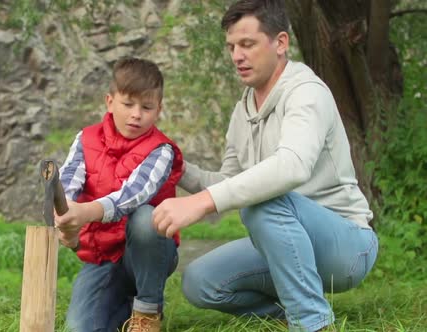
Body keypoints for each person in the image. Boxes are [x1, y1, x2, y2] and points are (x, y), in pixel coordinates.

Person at [151, 1, 379, 331]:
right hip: (284, 242)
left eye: (247, 44)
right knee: (200, 282)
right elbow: (228, 181)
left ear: (281, 43)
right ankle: (289, 309)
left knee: (261, 204)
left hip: (346, 246)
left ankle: (312, 323)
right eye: (231, 47)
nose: (236, 56)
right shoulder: (242, 111)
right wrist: (179, 168)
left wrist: (199, 204)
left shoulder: (306, 93)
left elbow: (292, 167)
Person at [55, 57, 184, 332]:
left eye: (146, 107)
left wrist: (85, 212)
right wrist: (65, 213)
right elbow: (68, 179)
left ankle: (147, 310)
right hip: (102, 255)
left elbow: (134, 194)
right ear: (110, 101)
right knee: (80, 328)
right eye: (128, 104)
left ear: (158, 110)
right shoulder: (85, 138)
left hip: (149, 253)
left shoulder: (161, 150)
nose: (136, 114)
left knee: (145, 217)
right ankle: (124, 304)